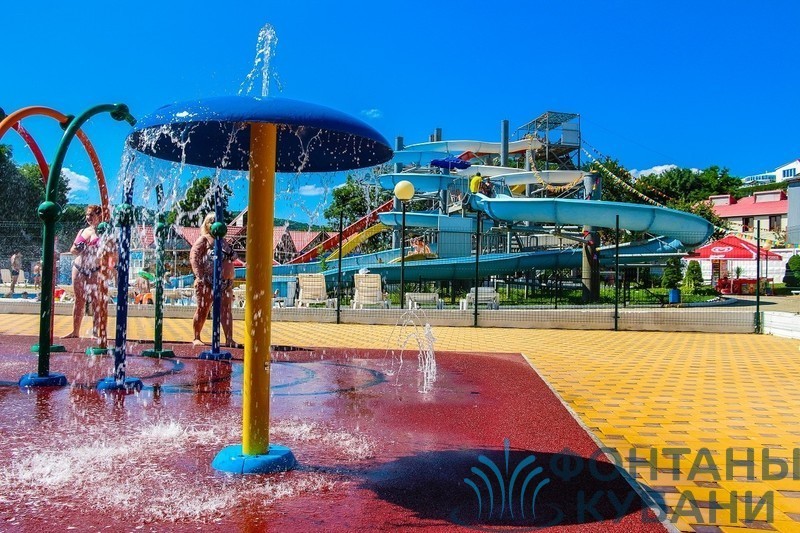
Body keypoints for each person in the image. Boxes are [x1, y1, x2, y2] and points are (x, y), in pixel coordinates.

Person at [63, 205, 114, 349]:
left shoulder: (105, 232)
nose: (88, 218)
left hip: (94, 270)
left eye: (91, 215)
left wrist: (110, 268)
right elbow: (72, 250)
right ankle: (75, 331)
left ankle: (96, 332)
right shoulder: (82, 231)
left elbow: (111, 253)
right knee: (79, 300)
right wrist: (78, 248)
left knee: (96, 302)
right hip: (79, 268)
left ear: (99, 216)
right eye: (87, 215)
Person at [190, 213, 241, 348]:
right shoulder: (204, 240)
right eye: (212, 221)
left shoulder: (224, 242)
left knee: (226, 311)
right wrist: (200, 276)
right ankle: (196, 337)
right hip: (207, 281)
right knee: (203, 309)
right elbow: (194, 257)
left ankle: (229, 339)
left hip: (225, 283)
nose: (216, 224)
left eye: (218, 221)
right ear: (207, 225)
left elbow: (233, 256)